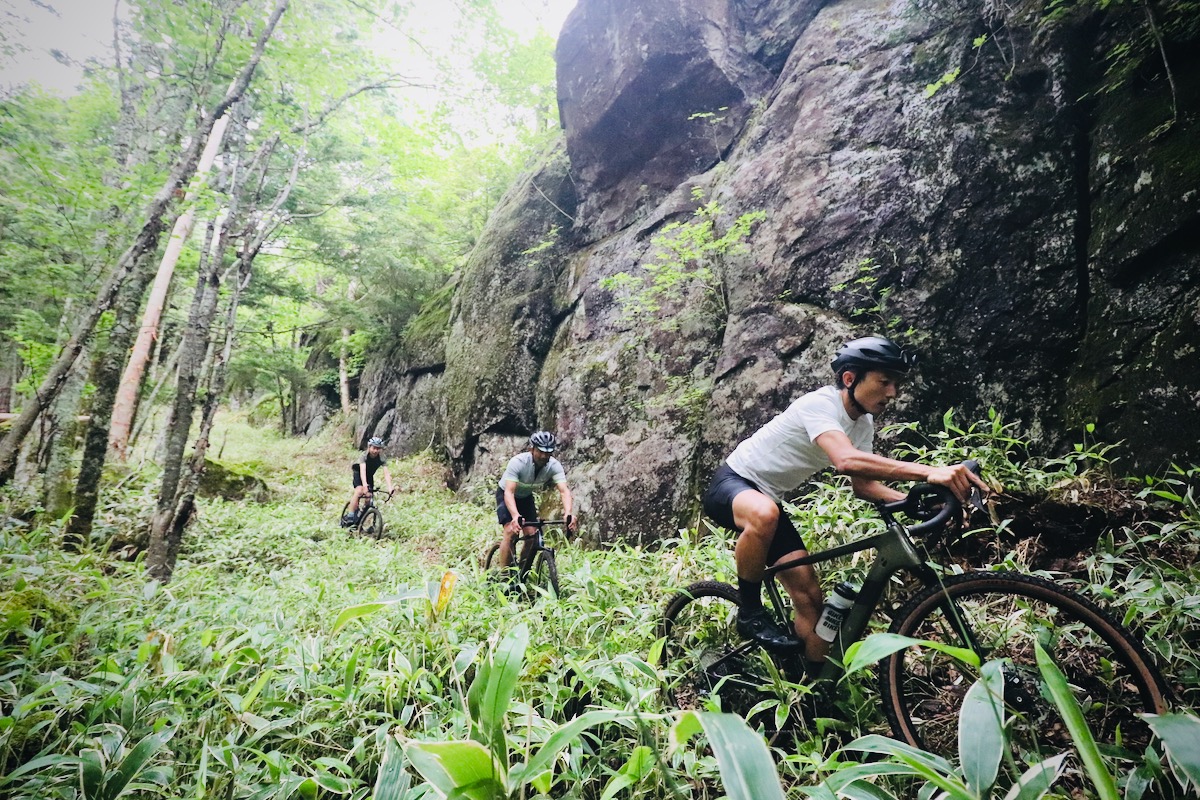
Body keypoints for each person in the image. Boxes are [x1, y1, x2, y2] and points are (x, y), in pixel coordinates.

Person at [702, 335, 989, 668]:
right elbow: (846, 461)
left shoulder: (862, 422)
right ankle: (749, 610)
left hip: (767, 502)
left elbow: (864, 486)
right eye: (884, 382)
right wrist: (930, 473)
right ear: (850, 379)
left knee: (809, 598)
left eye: (896, 384)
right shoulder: (820, 405)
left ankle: (809, 686)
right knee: (765, 512)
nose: (892, 392)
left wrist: (910, 501)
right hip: (732, 484)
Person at [494, 431, 578, 576]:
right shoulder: (518, 462)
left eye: (549, 452)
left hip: (526, 497)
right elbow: (509, 492)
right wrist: (515, 516)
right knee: (510, 531)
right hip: (506, 495)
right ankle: (504, 574)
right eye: (540, 452)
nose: (544, 456)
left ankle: (522, 571)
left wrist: (568, 513)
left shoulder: (553, 465)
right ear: (531, 449)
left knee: (533, 535)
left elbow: (564, 491)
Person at [343, 436, 394, 527]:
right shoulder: (364, 456)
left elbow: (386, 473)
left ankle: (360, 516)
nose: (375, 451)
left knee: (369, 496)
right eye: (374, 448)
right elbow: (362, 471)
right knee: (359, 491)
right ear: (369, 447)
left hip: (369, 475)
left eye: (378, 449)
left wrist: (390, 487)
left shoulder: (382, 457)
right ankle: (350, 516)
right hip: (359, 472)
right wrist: (365, 485)